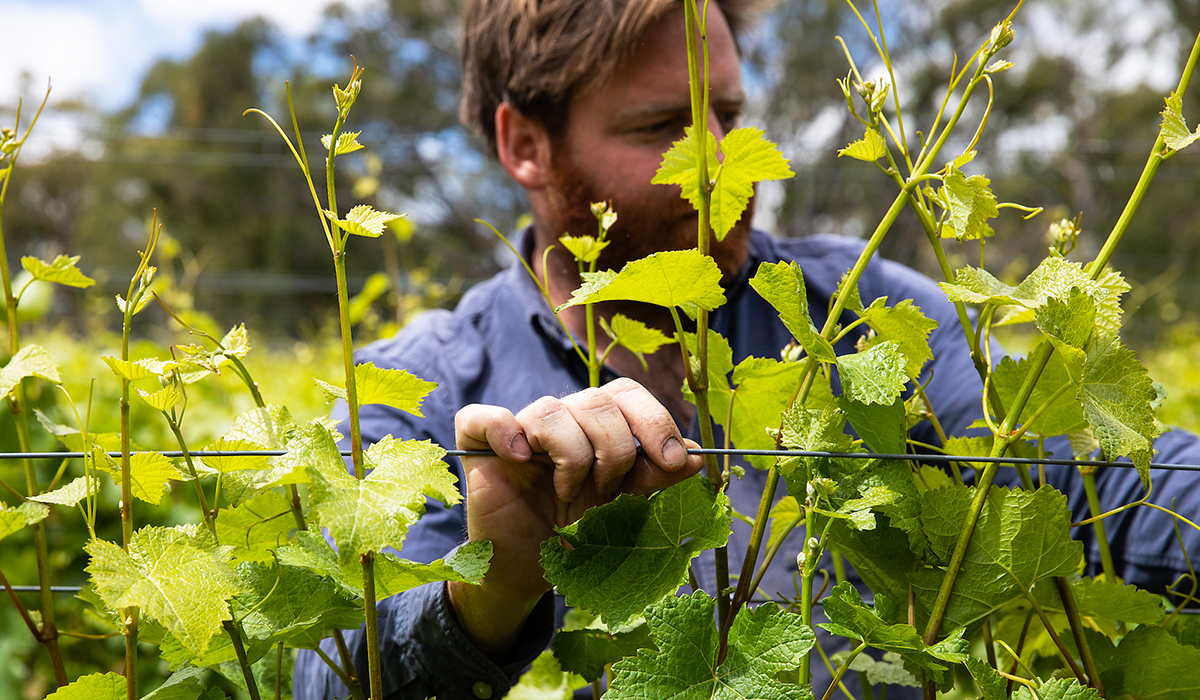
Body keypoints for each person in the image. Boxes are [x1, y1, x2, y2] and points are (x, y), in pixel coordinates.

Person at [293, 1, 1200, 698]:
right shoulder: (424, 389)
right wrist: (492, 594)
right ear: (525, 144)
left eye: (727, 113)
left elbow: (1110, 485)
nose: (723, 161)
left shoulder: (857, 312)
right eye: (662, 129)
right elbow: (322, 674)